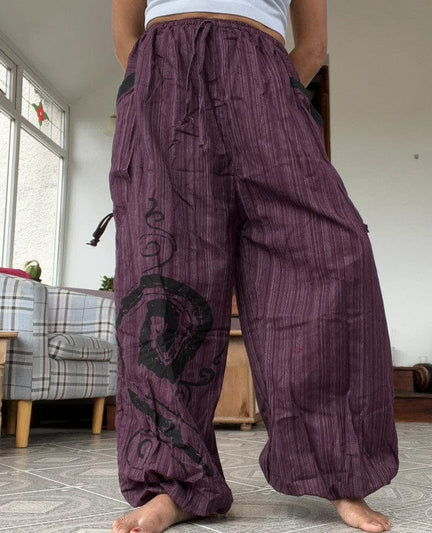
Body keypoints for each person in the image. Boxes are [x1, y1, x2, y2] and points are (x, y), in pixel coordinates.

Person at [109, 1, 399, 532]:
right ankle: (174, 483)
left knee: (332, 248)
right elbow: (125, 32)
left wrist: (267, 87)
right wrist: (156, 80)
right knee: (163, 269)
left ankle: (338, 469)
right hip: (162, 74)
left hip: (265, 75)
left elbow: (312, 46)